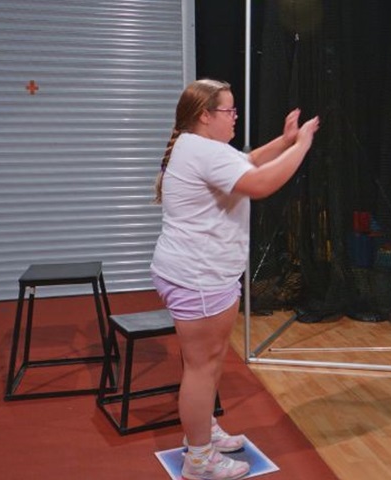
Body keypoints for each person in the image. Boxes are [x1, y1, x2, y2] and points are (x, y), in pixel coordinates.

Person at [151, 78, 320, 480]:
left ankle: (202, 431)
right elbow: (260, 183)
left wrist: (283, 142)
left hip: (193, 272)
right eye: (229, 111)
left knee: (206, 364)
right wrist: (301, 147)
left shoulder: (199, 147)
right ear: (205, 116)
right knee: (202, 366)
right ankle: (199, 459)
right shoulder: (205, 151)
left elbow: (246, 163)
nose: (235, 117)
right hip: (199, 277)